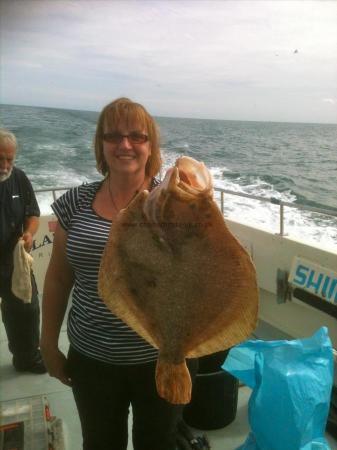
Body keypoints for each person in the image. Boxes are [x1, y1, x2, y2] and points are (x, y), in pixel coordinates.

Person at [41, 98, 198, 450]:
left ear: (151, 146)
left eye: (136, 136)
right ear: (100, 144)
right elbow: (58, 278)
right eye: (112, 136)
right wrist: (48, 343)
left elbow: (201, 272)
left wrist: (197, 209)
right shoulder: (75, 202)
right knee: (100, 443)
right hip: (92, 359)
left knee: (157, 443)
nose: (124, 144)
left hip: (163, 359)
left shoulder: (178, 205)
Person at [0, 128, 46, 374]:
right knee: (13, 310)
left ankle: (26, 357)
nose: (5, 165)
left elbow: (33, 214)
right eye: (0, 159)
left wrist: (29, 233)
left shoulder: (19, 178)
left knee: (27, 310)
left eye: (9, 159)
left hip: (14, 262)